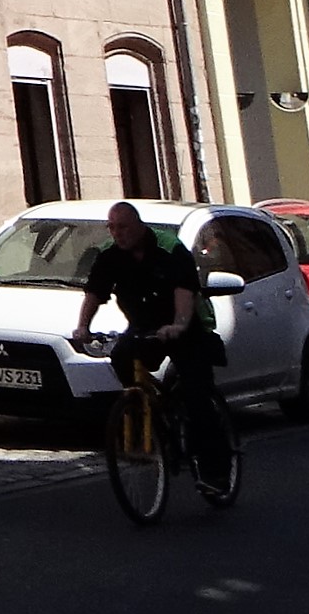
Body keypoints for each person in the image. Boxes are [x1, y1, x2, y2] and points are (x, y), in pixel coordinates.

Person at [72, 202, 228, 477]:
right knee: (121, 356)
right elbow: (95, 291)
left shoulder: (169, 248)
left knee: (197, 397)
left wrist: (178, 325)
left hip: (187, 327)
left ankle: (215, 473)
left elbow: (184, 290)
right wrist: (83, 326)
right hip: (144, 326)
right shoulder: (110, 255)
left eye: (123, 227)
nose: (117, 233)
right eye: (112, 228)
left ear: (138, 225)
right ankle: (150, 413)